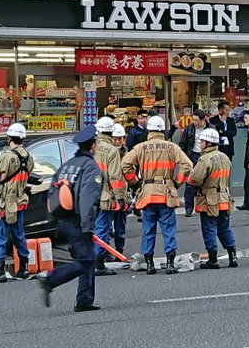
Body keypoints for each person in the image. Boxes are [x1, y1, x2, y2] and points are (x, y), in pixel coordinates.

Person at [38, 127, 107, 313]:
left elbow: (51, 193)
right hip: (78, 221)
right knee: (86, 260)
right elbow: (88, 199)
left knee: (87, 258)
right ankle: (51, 279)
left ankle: (85, 299)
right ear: (92, 146)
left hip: (63, 220)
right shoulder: (90, 168)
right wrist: (88, 227)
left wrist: (52, 220)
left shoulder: (67, 165)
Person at [120, 114, 192, 274]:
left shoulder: (141, 147)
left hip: (148, 193)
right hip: (166, 193)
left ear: (149, 130)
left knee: (148, 229)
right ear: (162, 131)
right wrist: (176, 183)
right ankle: (170, 264)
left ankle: (150, 264)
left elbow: (125, 164)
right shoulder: (171, 147)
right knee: (168, 229)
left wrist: (135, 182)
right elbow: (187, 165)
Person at [0, 123, 34, 283]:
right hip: (20, 201)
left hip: (5, 202)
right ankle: (23, 269)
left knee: (0, 235)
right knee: (19, 234)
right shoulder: (28, 156)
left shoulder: (6, 156)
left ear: (9, 138)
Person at [189, 127, 238, 269]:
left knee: (209, 228)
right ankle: (232, 256)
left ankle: (213, 259)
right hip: (224, 197)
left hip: (209, 199)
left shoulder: (204, 159)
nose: (201, 143)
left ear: (208, 143)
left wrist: (189, 178)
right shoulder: (225, 157)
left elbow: (196, 179)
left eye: (202, 141)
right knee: (225, 228)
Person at [93, 116, 128, 272]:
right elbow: (115, 177)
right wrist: (120, 198)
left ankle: (91, 258)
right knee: (102, 228)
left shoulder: (90, 146)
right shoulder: (112, 151)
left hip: (88, 194)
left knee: (91, 228)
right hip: (105, 195)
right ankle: (98, 263)